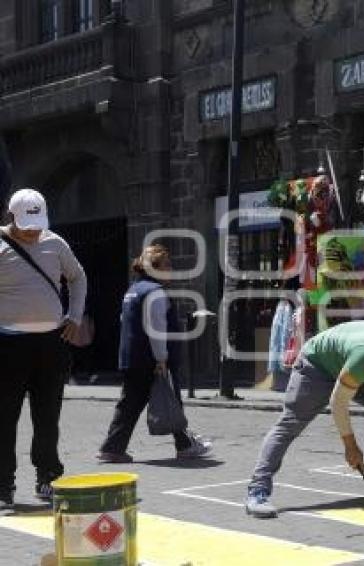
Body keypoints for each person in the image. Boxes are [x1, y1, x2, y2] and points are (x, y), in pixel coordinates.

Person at [245, 320, 364, 519]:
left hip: (358, 370)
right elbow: (338, 402)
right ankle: (257, 491)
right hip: (318, 367)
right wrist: (351, 446)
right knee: (290, 425)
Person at [0, 188, 87, 509]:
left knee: (48, 417)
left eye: (37, 223)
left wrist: (74, 316)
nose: (34, 231)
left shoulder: (55, 242)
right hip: (7, 346)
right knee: (4, 419)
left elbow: (77, 278)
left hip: (51, 344)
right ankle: (3, 486)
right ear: (10, 218)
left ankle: (47, 478)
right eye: (26, 224)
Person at [97, 245, 211, 463]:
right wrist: (161, 358)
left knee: (129, 404)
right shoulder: (155, 292)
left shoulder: (133, 290)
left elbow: (125, 321)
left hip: (132, 357)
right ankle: (185, 446)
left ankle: (112, 448)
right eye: (167, 265)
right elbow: (156, 327)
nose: (170, 270)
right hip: (152, 359)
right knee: (171, 399)